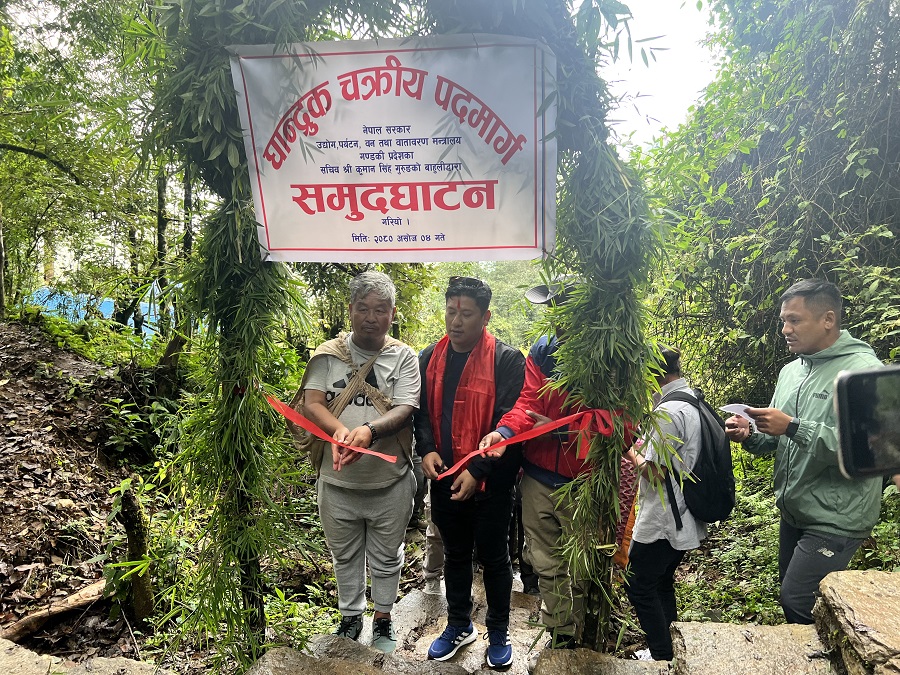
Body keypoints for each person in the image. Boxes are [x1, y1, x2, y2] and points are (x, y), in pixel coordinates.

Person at [479, 278, 637, 650]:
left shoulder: (616, 358)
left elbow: (625, 425)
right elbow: (527, 403)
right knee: (546, 562)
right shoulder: (544, 349)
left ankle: (581, 633)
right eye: (554, 310)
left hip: (586, 480)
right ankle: (561, 635)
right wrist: (504, 432)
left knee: (581, 565)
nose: (559, 319)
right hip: (538, 476)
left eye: (566, 310)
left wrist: (561, 429)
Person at [724, 279, 883, 624]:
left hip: (838, 516)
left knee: (796, 598)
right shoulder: (790, 372)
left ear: (828, 319)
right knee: (794, 593)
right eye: (784, 320)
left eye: (795, 320)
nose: (785, 329)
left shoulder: (863, 372)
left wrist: (794, 426)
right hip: (795, 509)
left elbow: (868, 452)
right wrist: (750, 433)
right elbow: (778, 438)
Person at [299, 270, 420, 653]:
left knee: (388, 556)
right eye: (363, 308)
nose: (371, 316)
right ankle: (350, 618)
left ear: (393, 313)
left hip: (390, 481)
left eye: (380, 309)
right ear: (349, 310)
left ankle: (383, 620)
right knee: (344, 554)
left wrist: (367, 430)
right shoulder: (327, 356)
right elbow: (311, 402)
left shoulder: (403, 357)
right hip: (337, 483)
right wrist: (339, 432)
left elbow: (405, 408)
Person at [413, 276, 525, 668]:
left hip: (491, 482)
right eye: (451, 311)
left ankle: (498, 630)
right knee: (455, 553)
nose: (456, 321)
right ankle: (459, 623)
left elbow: (512, 417)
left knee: (494, 557)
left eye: (466, 314)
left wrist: (476, 470)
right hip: (443, 475)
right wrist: (426, 449)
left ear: (486, 316)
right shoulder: (430, 357)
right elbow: (422, 412)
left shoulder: (507, 360)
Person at [625, 347, 706, 661]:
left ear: (655, 373)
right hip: (684, 511)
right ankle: (672, 648)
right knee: (660, 582)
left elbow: (655, 472)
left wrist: (629, 447)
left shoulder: (668, 412)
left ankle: (661, 654)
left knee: (638, 586)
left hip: (665, 517)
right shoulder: (691, 399)